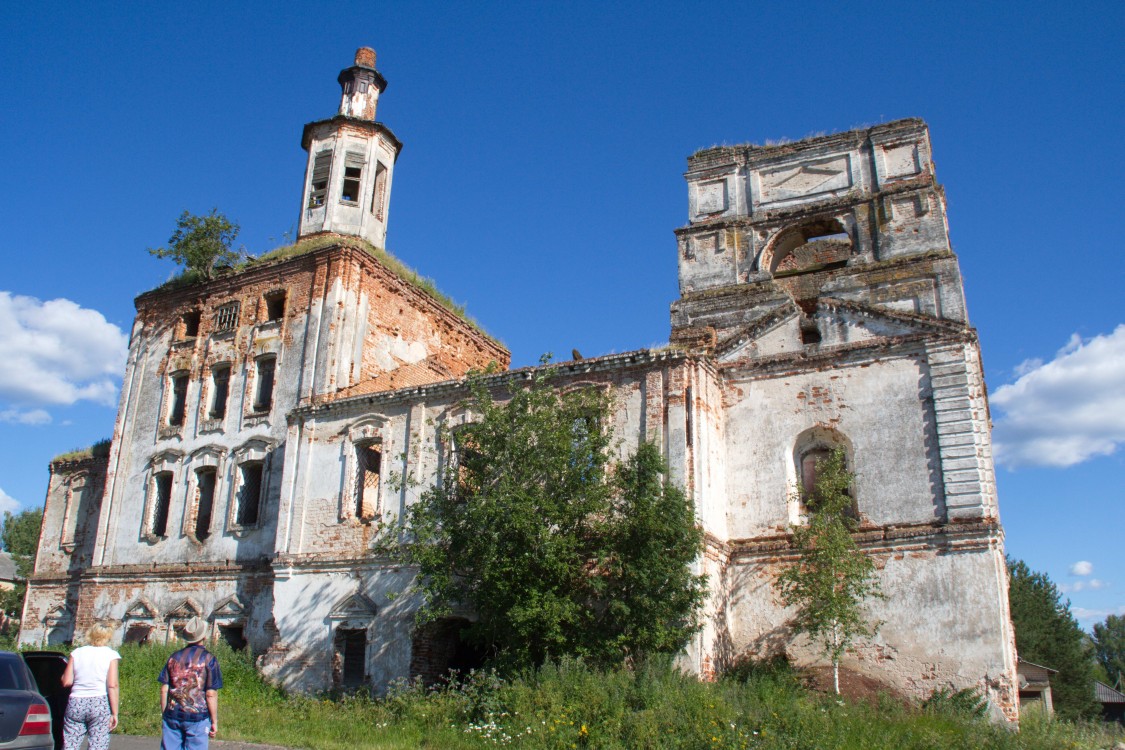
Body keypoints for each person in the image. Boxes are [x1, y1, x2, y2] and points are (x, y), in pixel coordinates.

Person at [158, 616, 223, 750]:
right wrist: (214, 721)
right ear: (204, 636)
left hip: (173, 714)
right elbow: (211, 694)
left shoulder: (173, 657)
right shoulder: (209, 659)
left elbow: (164, 689)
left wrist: (165, 713)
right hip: (197, 716)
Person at [60, 621, 121, 750]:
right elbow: (112, 685)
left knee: (70, 743)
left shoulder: (77, 653)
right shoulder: (111, 655)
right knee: (98, 744)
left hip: (76, 701)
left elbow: (67, 681)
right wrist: (115, 713)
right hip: (99, 702)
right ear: (108, 637)